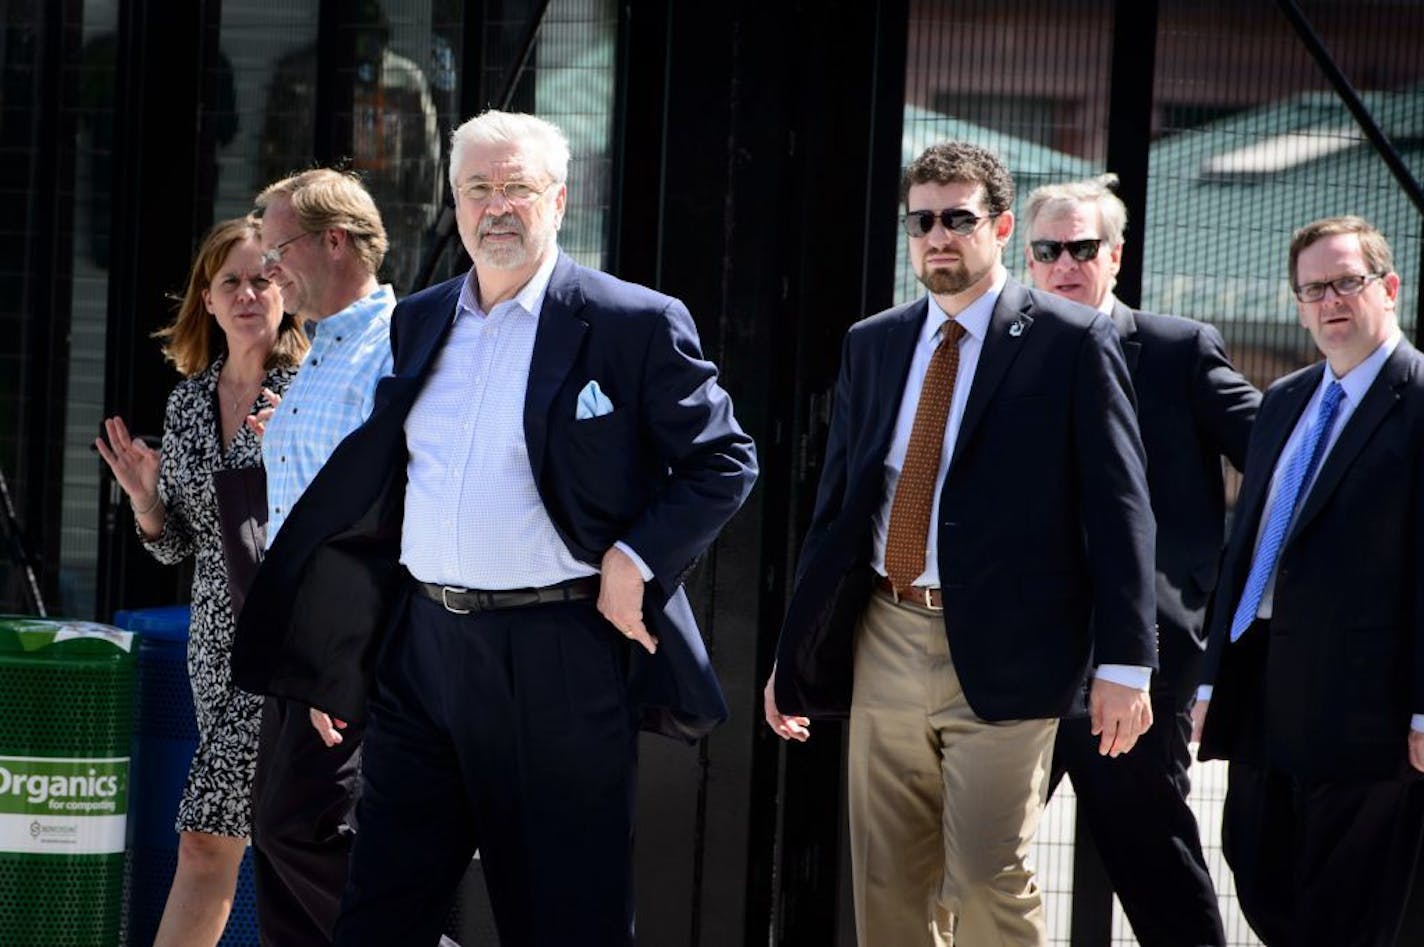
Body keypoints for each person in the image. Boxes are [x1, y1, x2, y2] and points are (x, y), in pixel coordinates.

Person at [231, 109, 757, 947]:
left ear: (558, 198)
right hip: (424, 659)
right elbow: (385, 494)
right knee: (377, 915)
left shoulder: (631, 321)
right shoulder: (423, 319)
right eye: (478, 188)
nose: (497, 206)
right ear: (454, 201)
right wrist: (343, 656)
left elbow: (723, 460)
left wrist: (636, 557)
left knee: (563, 920)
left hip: (561, 653)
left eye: (517, 187)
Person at [763, 141, 1158, 947]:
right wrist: (791, 651)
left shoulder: (1071, 341)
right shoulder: (873, 342)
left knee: (986, 873)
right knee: (887, 884)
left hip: (1013, 650)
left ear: (1002, 227)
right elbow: (837, 509)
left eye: (958, 219)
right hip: (886, 631)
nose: (938, 237)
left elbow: (1120, 507)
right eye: (922, 222)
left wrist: (1127, 660)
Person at [1022, 174, 1259, 947]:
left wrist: (1214, 593)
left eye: (1081, 247)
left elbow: (1282, 459)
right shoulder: (1006, 352)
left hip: (1142, 655)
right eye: (1048, 249)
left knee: (1152, 851)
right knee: (987, 853)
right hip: (1018, 654)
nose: (1065, 263)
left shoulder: (1174, 350)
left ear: (1114, 256)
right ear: (1027, 259)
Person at [1193, 215, 1424, 946]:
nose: (1330, 301)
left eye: (1346, 282)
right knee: (1260, 872)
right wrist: (1209, 679)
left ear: (1388, 288)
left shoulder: (1418, 401)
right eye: (1312, 288)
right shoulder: (1287, 399)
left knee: (1348, 907)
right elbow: (1248, 547)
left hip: (1369, 706)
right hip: (1264, 684)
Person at [95, 217, 308, 947]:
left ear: (287, 291)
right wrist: (147, 499)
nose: (248, 293)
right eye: (231, 282)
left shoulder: (309, 391)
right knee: (272, 845)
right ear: (207, 302)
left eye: (263, 277)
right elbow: (180, 546)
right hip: (212, 651)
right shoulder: (188, 402)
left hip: (288, 648)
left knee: (209, 839)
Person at [239, 168, 395, 947]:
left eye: (278, 250)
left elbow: (386, 510)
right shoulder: (318, 354)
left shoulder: (391, 345)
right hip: (294, 637)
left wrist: (348, 659)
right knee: (275, 841)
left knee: (300, 828)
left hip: (341, 643)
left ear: (335, 240)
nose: (269, 270)